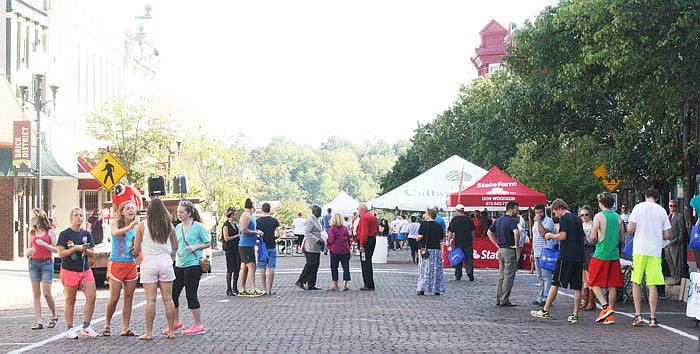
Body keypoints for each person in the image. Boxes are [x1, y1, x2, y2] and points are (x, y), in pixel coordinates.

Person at [531, 199, 585, 324]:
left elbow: (563, 236)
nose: (556, 215)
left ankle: (545, 310)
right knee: (577, 286)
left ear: (559, 208)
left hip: (567, 255)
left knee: (556, 282)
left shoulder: (565, 218)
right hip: (579, 255)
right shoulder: (577, 219)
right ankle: (575, 314)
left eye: (555, 212)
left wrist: (551, 235)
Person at [131, 198, 178, 340]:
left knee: (150, 300)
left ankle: (149, 332)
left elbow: (137, 248)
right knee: (168, 299)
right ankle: (171, 331)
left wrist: (134, 253)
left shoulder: (142, 226)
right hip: (165, 261)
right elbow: (175, 245)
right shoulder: (169, 226)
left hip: (149, 262)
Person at [627, 188, 671, 328]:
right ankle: (652, 317)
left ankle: (638, 314)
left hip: (640, 249)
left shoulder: (638, 208)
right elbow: (667, 235)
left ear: (645, 196)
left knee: (636, 282)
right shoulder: (662, 211)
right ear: (657, 198)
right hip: (655, 250)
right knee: (653, 284)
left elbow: (630, 228)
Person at [56, 207, 99, 339]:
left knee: (91, 296)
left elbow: (92, 253)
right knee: (70, 299)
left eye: (81, 215)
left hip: (84, 269)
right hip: (69, 269)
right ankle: (70, 328)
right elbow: (61, 253)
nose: (79, 217)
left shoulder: (86, 234)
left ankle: (86, 326)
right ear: (71, 218)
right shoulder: (65, 234)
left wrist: (85, 250)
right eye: (76, 215)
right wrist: (76, 249)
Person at [171, 200, 211, 335]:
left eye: (181, 212)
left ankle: (198, 324)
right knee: (173, 293)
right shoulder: (178, 228)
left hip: (194, 263)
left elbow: (208, 243)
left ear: (189, 213)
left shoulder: (198, 227)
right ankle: (176, 322)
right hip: (179, 264)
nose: (179, 214)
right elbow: (175, 245)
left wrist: (195, 247)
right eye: (178, 212)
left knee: (190, 293)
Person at [103, 201, 139, 337]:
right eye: (128, 208)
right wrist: (128, 227)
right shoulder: (115, 223)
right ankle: (107, 324)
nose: (131, 211)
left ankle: (125, 327)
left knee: (128, 297)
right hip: (116, 263)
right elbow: (116, 233)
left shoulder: (136, 228)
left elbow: (137, 248)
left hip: (130, 263)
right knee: (114, 296)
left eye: (133, 209)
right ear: (122, 211)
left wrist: (135, 251)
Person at [589, 192, 625, 325]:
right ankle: (610, 313)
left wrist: (595, 238)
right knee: (612, 284)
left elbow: (593, 237)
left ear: (601, 203)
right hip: (614, 254)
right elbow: (622, 238)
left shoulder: (599, 216)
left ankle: (605, 307)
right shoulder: (618, 217)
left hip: (601, 253)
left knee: (592, 281)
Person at [26, 208, 58, 330]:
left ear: (40, 218)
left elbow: (57, 249)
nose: (32, 220)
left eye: (34, 218)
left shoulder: (50, 232)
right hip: (33, 263)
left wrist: (45, 245)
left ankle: (54, 315)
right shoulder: (32, 232)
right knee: (36, 293)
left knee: (47, 293)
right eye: (32, 218)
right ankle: (38, 321)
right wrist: (28, 252)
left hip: (46, 263)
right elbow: (28, 248)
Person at [487, 201, 520, 307]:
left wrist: (496, 244)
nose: (517, 212)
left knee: (501, 275)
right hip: (509, 250)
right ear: (510, 210)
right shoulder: (511, 221)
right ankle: (504, 299)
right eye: (516, 210)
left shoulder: (498, 220)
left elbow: (489, 232)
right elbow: (516, 232)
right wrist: (516, 244)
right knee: (508, 276)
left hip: (500, 250)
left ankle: (498, 297)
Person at [238, 198, 265, 296]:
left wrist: (256, 231)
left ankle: (242, 289)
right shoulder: (246, 215)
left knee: (245, 267)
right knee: (252, 266)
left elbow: (249, 228)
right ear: (252, 205)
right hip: (245, 245)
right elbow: (244, 230)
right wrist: (256, 232)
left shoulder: (250, 216)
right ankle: (253, 289)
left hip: (249, 245)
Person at [531, 204, 555, 307]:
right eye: (536, 213)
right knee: (539, 277)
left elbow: (542, 233)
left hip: (545, 252)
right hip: (537, 251)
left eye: (540, 212)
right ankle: (540, 296)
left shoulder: (548, 221)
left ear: (544, 211)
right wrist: (532, 252)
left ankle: (546, 298)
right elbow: (535, 237)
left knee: (546, 276)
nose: (538, 215)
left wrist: (539, 221)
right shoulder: (536, 223)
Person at [416, 207, 445, 295]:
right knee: (437, 269)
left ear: (429, 215)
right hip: (436, 249)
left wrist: (418, 238)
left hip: (427, 249)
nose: (424, 215)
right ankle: (437, 288)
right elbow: (441, 238)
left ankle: (422, 288)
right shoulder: (438, 225)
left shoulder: (424, 224)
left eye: (425, 213)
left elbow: (420, 236)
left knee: (425, 269)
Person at [295, 205, 325, 290]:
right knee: (310, 264)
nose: (320, 213)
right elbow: (307, 233)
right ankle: (301, 281)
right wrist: (317, 240)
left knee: (315, 265)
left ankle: (311, 284)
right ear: (314, 211)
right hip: (310, 246)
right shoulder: (310, 220)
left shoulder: (317, 220)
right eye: (319, 211)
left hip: (316, 247)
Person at [257, 202, 282, 294]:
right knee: (271, 267)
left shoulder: (258, 221)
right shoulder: (274, 221)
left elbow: (256, 234)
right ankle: (270, 289)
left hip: (262, 247)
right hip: (272, 246)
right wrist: (274, 238)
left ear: (262, 210)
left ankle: (263, 288)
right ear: (270, 209)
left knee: (262, 268)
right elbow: (279, 234)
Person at [447, 204, 475, 281]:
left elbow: (450, 232)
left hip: (458, 243)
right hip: (468, 242)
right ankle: (469, 272)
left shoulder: (454, 220)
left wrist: (448, 241)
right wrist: (472, 240)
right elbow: (473, 232)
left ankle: (458, 275)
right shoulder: (469, 219)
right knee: (469, 259)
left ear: (457, 211)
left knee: (458, 259)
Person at [326, 213, 352, 291]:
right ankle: (345, 285)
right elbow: (348, 239)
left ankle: (335, 284)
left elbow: (331, 240)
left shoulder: (332, 229)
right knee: (346, 267)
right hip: (345, 250)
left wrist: (326, 241)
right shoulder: (345, 228)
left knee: (334, 267)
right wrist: (349, 248)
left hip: (335, 250)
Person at [665, 200, 687, 285]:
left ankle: (678, 278)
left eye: (674, 206)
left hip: (675, 242)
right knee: (669, 261)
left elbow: (682, 230)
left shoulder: (679, 216)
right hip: (667, 243)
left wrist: (678, 241)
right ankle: (674, 277)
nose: (672, 208)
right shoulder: (667, 217)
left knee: (676, 261)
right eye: (671, 206)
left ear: (676, 207)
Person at [579, 205, 596, 311]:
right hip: (582, 250)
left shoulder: (593, 224)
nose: (584, 217)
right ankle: (585, 301)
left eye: (586, 214)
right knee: (584, 277)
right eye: (582, 215)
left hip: (590, 249)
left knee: (589, 276)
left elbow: (593, 239)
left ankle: (591, 301)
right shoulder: (581, 225)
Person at [222, 207, 241, 296]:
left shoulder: (234, 224)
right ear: (232, 214)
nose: (236, 215)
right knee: (230, 268)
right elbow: (226, 238)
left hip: (236, 248)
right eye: (235, 214)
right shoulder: (226, 225)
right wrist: (237, 235)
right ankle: (229, 289)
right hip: (229, 249)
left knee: (237, 268)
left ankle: (235, 287)